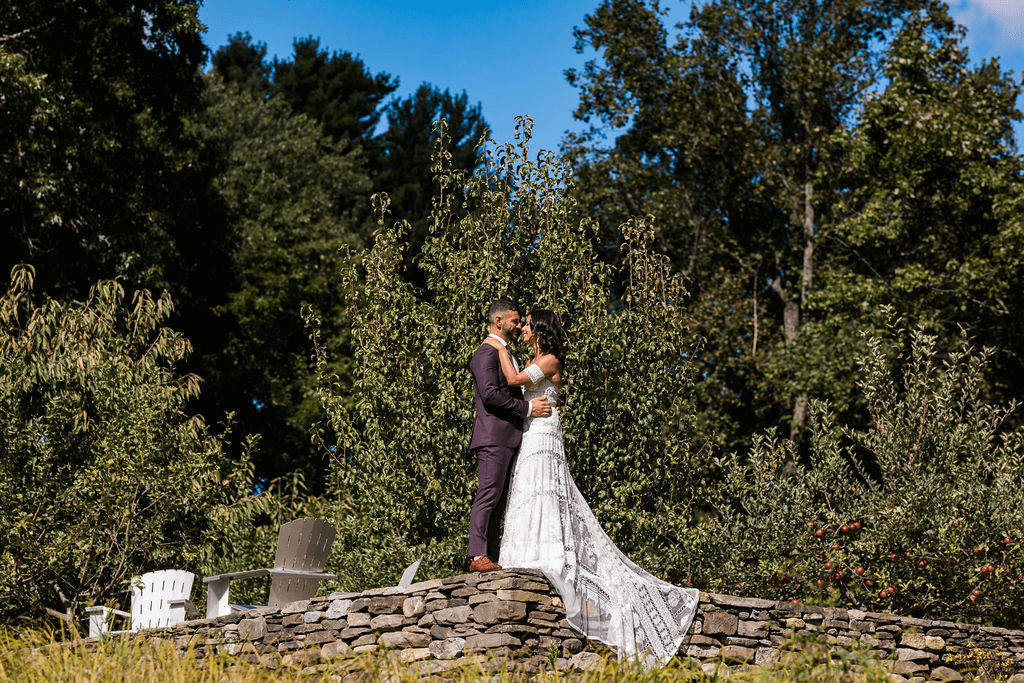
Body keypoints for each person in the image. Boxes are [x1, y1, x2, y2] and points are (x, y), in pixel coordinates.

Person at [483, 309, 699, 667]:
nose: (521, 329)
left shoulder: (549, 359)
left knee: (545, 490)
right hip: (530, 432)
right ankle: (524, 554)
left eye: (526, 325)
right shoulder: (535, 356)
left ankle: (549, 554)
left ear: (539, 331)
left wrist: (498, 344)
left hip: (544, 435)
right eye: (518, 325)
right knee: (527, 493)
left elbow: (511, 379)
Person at [467, 298, 552, 573]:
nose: (518, 326)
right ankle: (477, 554)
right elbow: (491, 395)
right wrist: (528, 408)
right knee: (488, 493)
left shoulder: (504, 351)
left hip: (510, 437)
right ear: (499, 322)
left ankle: (490, 556)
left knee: (500, 498)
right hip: (493, 437)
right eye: (515, 321)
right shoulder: (486, 353)